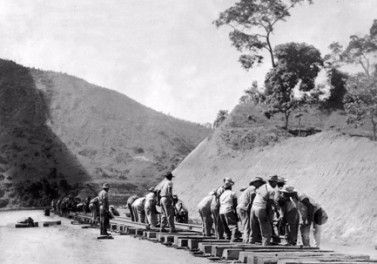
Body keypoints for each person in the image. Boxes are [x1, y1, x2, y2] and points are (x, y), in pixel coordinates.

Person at [250, 175, 279, 245]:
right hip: (261, 208)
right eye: (275, 182)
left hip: (253, 208)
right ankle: (266, 244)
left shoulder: (262, 187)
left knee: (254, 227)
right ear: (272, 182)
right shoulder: (271, 190)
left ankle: (251, 241)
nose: (276, 184)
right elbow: (269, 203)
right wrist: (268, 214)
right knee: (266, 227)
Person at [236, 177, 266, 243]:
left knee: (245, 225)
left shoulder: (247, 189)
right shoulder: (253, 188)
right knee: (247, 226)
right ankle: (247, 241)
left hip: (240, 207)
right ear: (255, 182)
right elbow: (252, 196)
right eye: (260, 183)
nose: (261, 185)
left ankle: (246, 239)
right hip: (244, 207)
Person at [219, 178, 239, 242]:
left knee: (226, 227)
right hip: (228, 210)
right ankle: (234, 239)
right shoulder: (232, 193)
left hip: (221, 211)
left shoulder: (222, 195)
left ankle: (227, 238)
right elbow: (235, 204)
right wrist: (236, 214)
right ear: (230, 187)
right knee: (233, 226)